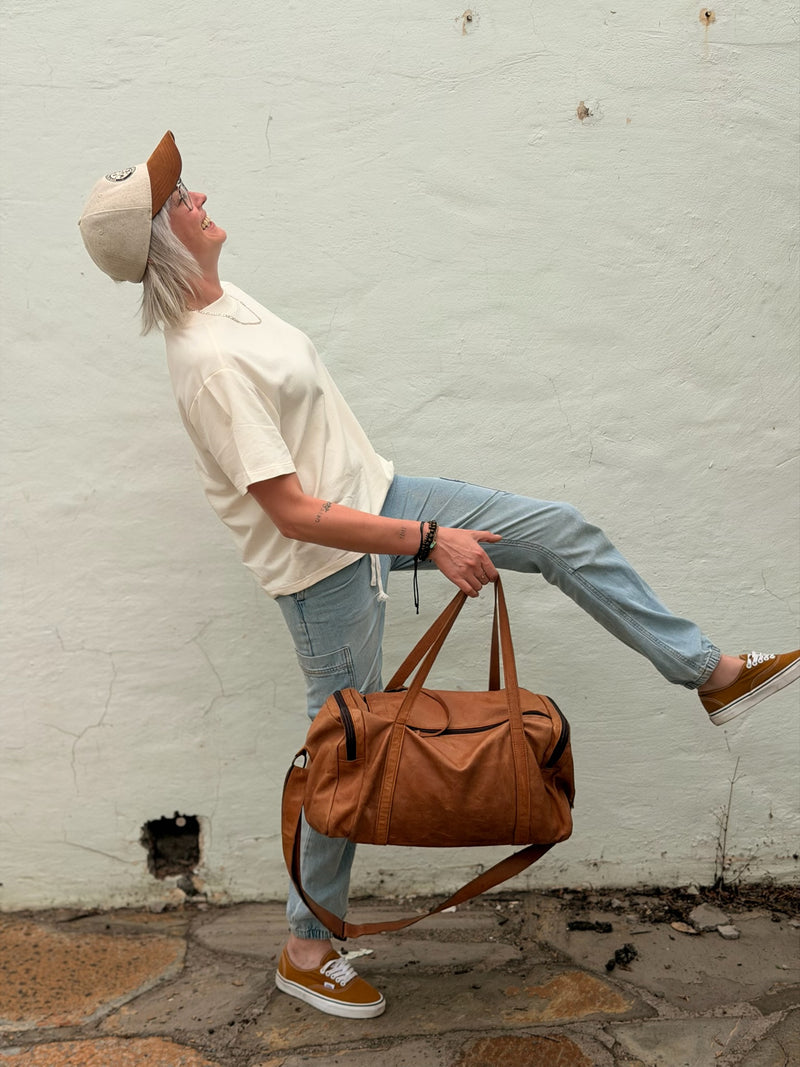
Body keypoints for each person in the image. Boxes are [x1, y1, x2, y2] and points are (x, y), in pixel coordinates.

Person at [79, 131, 799, 1020]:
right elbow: (294, 514)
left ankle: (712, 673)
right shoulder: (209, 362)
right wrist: (425, 540)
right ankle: (307, 947)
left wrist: (410, 525)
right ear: (160, 241)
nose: (198, 198)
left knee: (559, 531)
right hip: (323, 568)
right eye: (178, 199)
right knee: (346, 746)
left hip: (379, 496)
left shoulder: (227, 304)